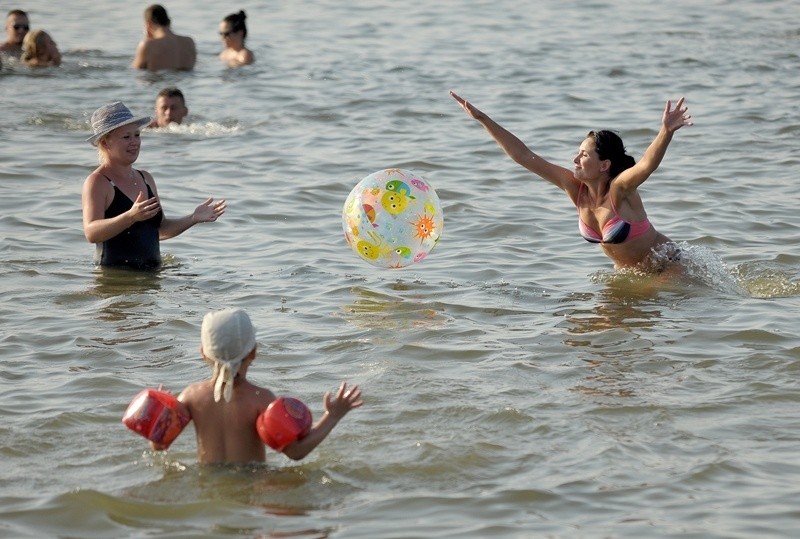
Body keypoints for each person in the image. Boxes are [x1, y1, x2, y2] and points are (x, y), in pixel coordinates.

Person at [450, 91, 693, 272]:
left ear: (604, 165)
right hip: (632, 273)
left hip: (670, 268)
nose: (575, 159)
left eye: (584, 155)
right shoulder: (575, 189)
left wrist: (665, 132)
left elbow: (646, 164)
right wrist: (482, 118)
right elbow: (524, 156)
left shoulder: (620, 189)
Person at [149, 308, 363, 464]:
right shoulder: (261, 399)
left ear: (203, 352)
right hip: (252, 479)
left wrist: (162, 415)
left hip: (208, 479)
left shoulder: (190, 396)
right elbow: (295, 452)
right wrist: (333, 416)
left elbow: (158, 446)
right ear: (253, 352)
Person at [82, 101, 226, 269]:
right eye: (126, 137)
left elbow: (161, 229)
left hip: (152, 278)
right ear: (106, 143)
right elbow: (91, 233)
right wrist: (130, 216)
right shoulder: (98, 181)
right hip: (116, 280)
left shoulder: (145, 178)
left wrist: (193, 218)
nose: (134, 142)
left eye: (137, 135)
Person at [132, 4, 196, 71]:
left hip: (161, 80)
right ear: (169, 21)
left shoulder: (148, 45)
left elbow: (135, 70)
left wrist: (147, 40)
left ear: (148, 24)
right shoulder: (189, 42)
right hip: (187, 81)